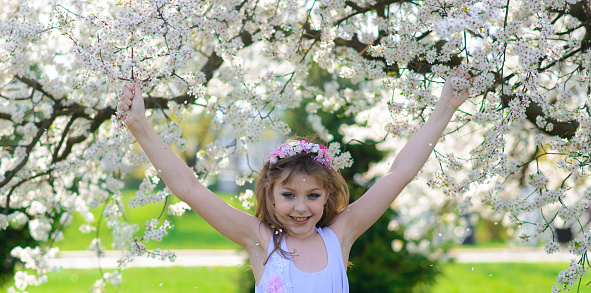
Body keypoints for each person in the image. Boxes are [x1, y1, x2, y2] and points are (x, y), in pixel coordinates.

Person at [117, 71, 470, 292]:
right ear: (269, 196)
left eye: (313, 195)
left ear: (327, 196)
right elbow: (190, 189)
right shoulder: (261, 241)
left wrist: (445, 110)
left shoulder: (340, 236)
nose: (301, 207)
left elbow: (399, 174)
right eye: (288, 195)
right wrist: (140, 127)